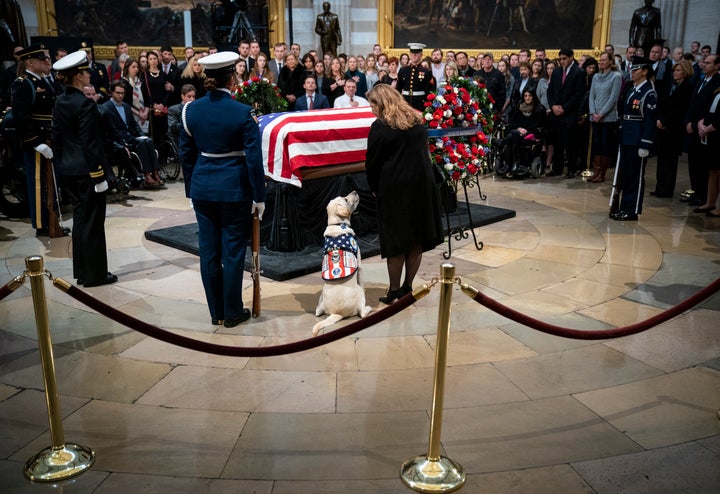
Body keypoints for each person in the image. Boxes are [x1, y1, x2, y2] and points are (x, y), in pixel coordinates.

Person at [178, 51, 266, 328]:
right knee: (232, 251)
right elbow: (253, 160)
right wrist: (259, 196)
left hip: (203, 188)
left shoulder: (190, 110)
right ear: (232, 77)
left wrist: (191, 190)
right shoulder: (243, 112)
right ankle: (232, 312)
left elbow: (186, 155)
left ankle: (216, 311)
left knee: (209, 252)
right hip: (233, 190)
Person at [364, 84, 443, 303]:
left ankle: (394, 290)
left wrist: (373, 187)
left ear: (383, 103)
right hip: (421, 188)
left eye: (372, 104)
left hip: (394, 190)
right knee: (416, 238)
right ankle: (408, 287)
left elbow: (372, 163)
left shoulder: (380, 128)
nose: (370, 109)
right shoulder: (417, 122)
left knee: (396, 241)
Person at [52, 50, 117, 287]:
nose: (89, 74)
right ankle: (95, 275)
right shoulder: (85, 105)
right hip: (87, 172)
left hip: (68, 170)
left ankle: (82, 270)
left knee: (80, 221)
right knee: (92, 224)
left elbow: (58, 138)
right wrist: (99, 174)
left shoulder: (61, 101)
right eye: (85, 71)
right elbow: (90, 144)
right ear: (78, 77)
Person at [10, 43, 63, 236]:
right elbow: (20, 117)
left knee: (51, 183)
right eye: (43, 59)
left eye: (48, 58)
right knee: (39, 184)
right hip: (37, 143)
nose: (48, 61)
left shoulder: (44, 81)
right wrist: (35, 142)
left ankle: (52, 221)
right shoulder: (23, 83)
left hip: (49, 139)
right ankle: (42, 225)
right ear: (30, 62)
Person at [611, 56, 657, 221]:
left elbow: (649, 122)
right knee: (626, 176)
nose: (632, 71)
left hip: (637, 140)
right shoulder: (633, 89)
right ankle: (623, 207)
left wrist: (645, 144)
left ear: (644, 71)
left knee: (635, 177)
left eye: (636, 69)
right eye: (632, 68)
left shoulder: (648, 93)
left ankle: (632, 210)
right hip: (627, 138)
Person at [101, 80, 163, 187]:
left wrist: (141, 134)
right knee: (142, 143)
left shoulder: (126, 106)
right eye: (118, 93)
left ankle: (155, 172)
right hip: (119, 139)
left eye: (122, 93)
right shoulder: (106, 107)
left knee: (148, 140)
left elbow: (134, 124)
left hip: (130, 136)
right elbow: (111, 129)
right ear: (112, 92)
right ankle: (147, 175)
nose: (121, 95)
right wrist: (123, 140)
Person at [652, 59, 693, 197]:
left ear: (685, 72)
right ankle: (659, 187)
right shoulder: (671, 85)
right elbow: (662, 103)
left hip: (674, 129)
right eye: (674, 70)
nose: (675, 73)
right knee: (662, 159)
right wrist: (658, 119)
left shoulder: (687, 87)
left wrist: (664, 120)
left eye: (678, 70)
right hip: (662, 127)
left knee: (670, 161)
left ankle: (666, 190)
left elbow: (681, 109)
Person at [684, 54, 720, 206]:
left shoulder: (717, 83)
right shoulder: (700, 81)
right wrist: (689, 122)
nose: (704, 65)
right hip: (694, 125)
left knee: (703, 164)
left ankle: (704, 195)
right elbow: (692, 104)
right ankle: (696, 191)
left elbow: (710, 108)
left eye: (708, 63)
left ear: (717, 66)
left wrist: (700, 123)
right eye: (703, 62)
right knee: (693, 162)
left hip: (705, 128)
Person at [546, 48, 587, 178]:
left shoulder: (579, 72)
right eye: (560, 59)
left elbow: (579, 94)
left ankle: (571, 169)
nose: (562, 61)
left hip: (569, 113)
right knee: (557, 142)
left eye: (564, 58)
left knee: (570, 143)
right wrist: (553, 106)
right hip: (555, 113)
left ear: (571, 57)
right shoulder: (557, 71)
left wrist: (564, 108)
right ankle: (557, 168)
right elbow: (550, 91)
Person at [588, 52, 622, 183]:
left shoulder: (616, 76)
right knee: (597, 144)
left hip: (608, 118)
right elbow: (592, 95)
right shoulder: (596, 76)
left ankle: (602, 173)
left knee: (605, 144)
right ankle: (596, 172)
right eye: (600, 60)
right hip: (595, 116)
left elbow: (613, 98)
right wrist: (593, 112)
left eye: (604, 60)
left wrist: (601, 114)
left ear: (610, 61)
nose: (601, 62)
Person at [498, 89, 547, 176]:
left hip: (532, 133)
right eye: (525, 96)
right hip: (518, 132)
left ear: (533, 97)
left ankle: (514, 164)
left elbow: (542, 124)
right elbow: (512, 122)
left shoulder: (539, 108)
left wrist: (525, 130)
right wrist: (519, 128)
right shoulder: (518, 107)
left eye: (530, 96)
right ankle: (509, 164)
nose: (527, 98)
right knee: (512, 134)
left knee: (512, 135)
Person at [397, 43, 435, 112]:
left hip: (420, 104)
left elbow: (429, 91)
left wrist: (428, 106)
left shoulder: (426, 72)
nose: (414, 55)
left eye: (417, 53)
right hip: (405, 103)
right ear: (410, 54)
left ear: (421, 54)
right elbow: (398, 88)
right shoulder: (403, 70)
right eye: (412, 52)